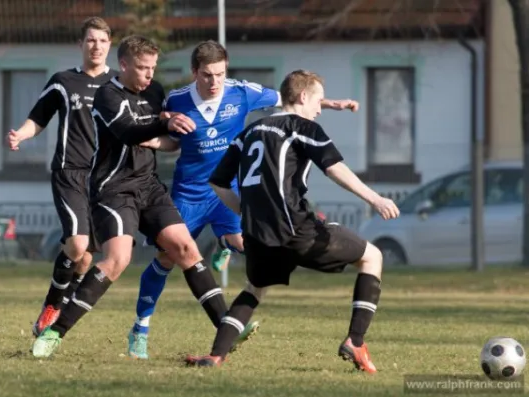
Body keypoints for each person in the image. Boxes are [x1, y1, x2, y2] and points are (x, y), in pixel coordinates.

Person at [130, 40, 360, 360]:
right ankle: (140, 328)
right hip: (191, 193)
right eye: (208, 75)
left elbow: (292, 98)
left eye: (221, 74)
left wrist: (331, 104)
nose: (215, 82)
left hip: (229, 190)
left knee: (246, 243)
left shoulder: (242, 92)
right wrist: (146, 139)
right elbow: (171, 141)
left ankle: (226, 249)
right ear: (195, 72)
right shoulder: (177, 99)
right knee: (168, 259)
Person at [31, 35, 254, 358]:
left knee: (185, 248)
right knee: (116, 260)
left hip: (148, 185)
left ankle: (227, 325)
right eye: (142, 67)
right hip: (113, 188)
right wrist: (163, 122)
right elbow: (128, 132)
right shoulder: (108, 95)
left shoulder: (155, 91)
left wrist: (169, 132)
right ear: (123, 65)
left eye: (152, 67)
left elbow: (165, 140)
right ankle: (56, 331)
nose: (150, 74)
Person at [184, 70, 400, 373]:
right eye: (318, 101)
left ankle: (216, 354)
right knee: (372, 257)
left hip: (257, 233)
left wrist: (247, 212)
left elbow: (218, 183)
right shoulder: (302, 126)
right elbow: (334, 167)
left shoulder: (249, 132)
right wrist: (375, 199)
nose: (319, 108)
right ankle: (355, 340)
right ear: (301, 97)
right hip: (295, 228)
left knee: (255, 288)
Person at [6, 17, 115, 337]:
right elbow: (38, 118)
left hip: (105, 179)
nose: (96, 46)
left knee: (84, 259)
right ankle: (52, 306)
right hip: (69, 172)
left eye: (102, 41)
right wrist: (21, 136)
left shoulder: (119, 84)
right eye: (91, 40)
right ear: (80, 44)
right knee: (78, 244)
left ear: (110, 45)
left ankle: (63, 300)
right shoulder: (63, 81)